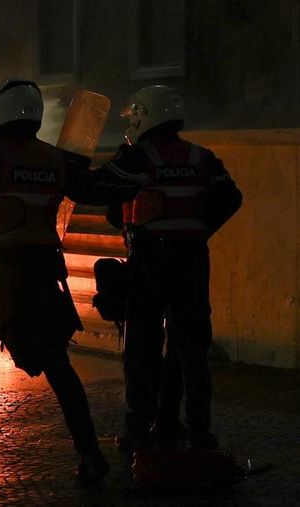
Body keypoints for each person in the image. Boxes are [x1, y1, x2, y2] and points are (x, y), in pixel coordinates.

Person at [0, 79, 140, 487]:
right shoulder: (57, 161)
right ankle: (91, 456)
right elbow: (100, 188)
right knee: (61, 370)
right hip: (43, 282)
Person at [97, 85, 242, 451]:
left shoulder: (134, 157)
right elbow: (231, 198)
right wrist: (199, 230)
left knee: (142, 345)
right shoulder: (201, 156)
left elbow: (110, 202)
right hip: (192, 260)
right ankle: (194, 429)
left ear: (145, 116)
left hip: (149, 260)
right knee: (189, 346)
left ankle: (139, 429)